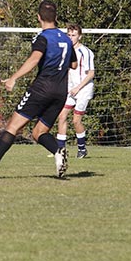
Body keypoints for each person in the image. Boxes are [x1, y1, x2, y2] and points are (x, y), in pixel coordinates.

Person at [0, 0, 77, 178]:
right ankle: (58, 151)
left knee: (13, 127)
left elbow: (34, 59)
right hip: (60, 92)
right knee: (39, 132)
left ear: (39, 17)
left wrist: (14, 78)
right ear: (56, 17)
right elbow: (74, 64)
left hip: (41, 89)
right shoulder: (66, 40)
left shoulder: (42, 38)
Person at [56, 23, 95, 159]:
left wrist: (78, 87)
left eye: (74, 35)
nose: (71, 38)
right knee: (61, 116)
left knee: (76, 120)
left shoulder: (86, 52)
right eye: (69, 35)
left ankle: (82, 149)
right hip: (71, 90)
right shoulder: (66, 50)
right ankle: (60, 151)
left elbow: (91, 73)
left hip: (84, 89)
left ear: (80, 36)